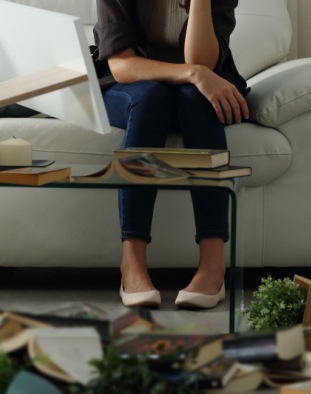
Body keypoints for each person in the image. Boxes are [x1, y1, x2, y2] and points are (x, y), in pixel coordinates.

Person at [93, 0, 249, 309]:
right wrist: (192, 73)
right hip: (135, 87)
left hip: (195, 90)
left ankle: (212, 265)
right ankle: (132, 263)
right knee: (153, 96)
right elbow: (122, 65)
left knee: (199, 99)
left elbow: (201, 60)